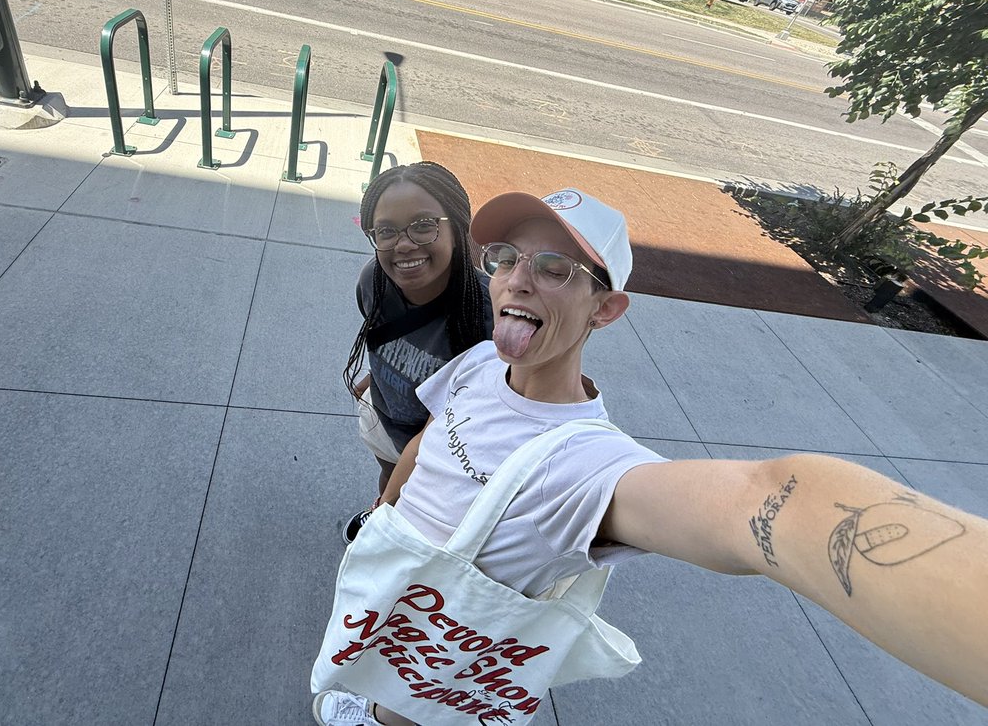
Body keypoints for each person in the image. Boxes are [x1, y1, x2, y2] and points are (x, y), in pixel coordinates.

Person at [314, 188, 988, 725]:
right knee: (380, 667)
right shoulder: (482, 363)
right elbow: (432, 438)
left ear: (605, 309)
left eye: (555, 269)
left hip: (451, 638)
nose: (518, 281)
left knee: (411, 704)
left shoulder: (589, 468)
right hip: (400, 582)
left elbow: (761, 502)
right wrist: (383, 511)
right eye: (507, 258)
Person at [341, 163, 494, 544]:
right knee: (389, 471)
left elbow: (451, 424)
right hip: (383, 416)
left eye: (424, 225)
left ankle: (386, 524)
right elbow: (381, 335)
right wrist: (374, 380)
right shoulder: (372, 280)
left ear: (457, 230)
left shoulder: (487, 316)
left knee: (416, 516)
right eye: (387, 231)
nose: (403, 244)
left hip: (443, 450)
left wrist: (388, 505)